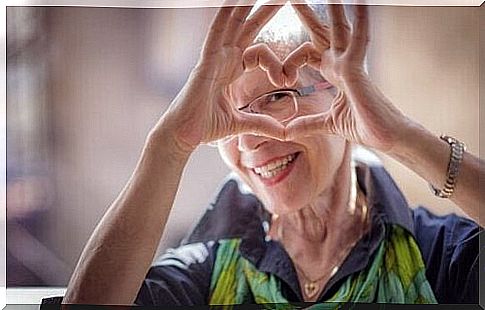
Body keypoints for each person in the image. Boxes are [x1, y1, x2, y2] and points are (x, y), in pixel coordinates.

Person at [56, 0, 483, 306]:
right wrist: (168, 146)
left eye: (277, 97)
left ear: (346, 95)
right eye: (228, 117)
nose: (248, 141)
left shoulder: (437, 256)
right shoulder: (209, 268)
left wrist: (404, 137)